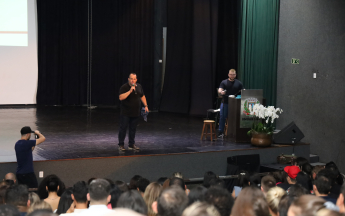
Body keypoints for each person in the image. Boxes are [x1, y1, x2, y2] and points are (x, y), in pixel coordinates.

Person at [118, 73, 149, 151]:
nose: (133, 80)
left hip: (135, 112)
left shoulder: (139, 86)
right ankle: (121, 145)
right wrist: (130, 91)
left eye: (134, 79)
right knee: (123, 128)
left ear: (136, 79)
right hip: (126, 113)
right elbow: (121, 97)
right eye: (131, 79)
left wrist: (146, 106)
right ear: (128, 79)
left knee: (133, 129)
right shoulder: (124, 87)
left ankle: (131, 144)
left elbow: (142, 96)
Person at [217, 69, 244, 138]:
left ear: (235, 75)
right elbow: (220, 89)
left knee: (234, 118)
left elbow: (243, 90)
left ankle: (234, 132)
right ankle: (220, 132)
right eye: (231, 74)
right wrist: (221, 92)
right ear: (228, 75)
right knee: (223, 117)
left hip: (235, 104)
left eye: (233, 74)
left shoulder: (238, 83)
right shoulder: (224, 82)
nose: (232, 75)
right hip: (225, 102)